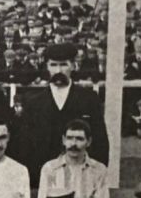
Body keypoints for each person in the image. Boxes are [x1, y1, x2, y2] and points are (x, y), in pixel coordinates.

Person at [18, 42, 109, 188]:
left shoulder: (88, 99)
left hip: (80, 177)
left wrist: (95, 177)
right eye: (53, 65)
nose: (58, 70)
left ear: (73, 65)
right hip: (41, 177)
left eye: (63, 65)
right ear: (47, 66)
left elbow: (100, 141)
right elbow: (23, 145)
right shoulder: (33, 102)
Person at [37, 119, 113, 198]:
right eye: (70, 138)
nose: (73, 144)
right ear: (63, 140)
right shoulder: (50, 168)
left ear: (88, 142)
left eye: (79, 139)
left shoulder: (99, 170)